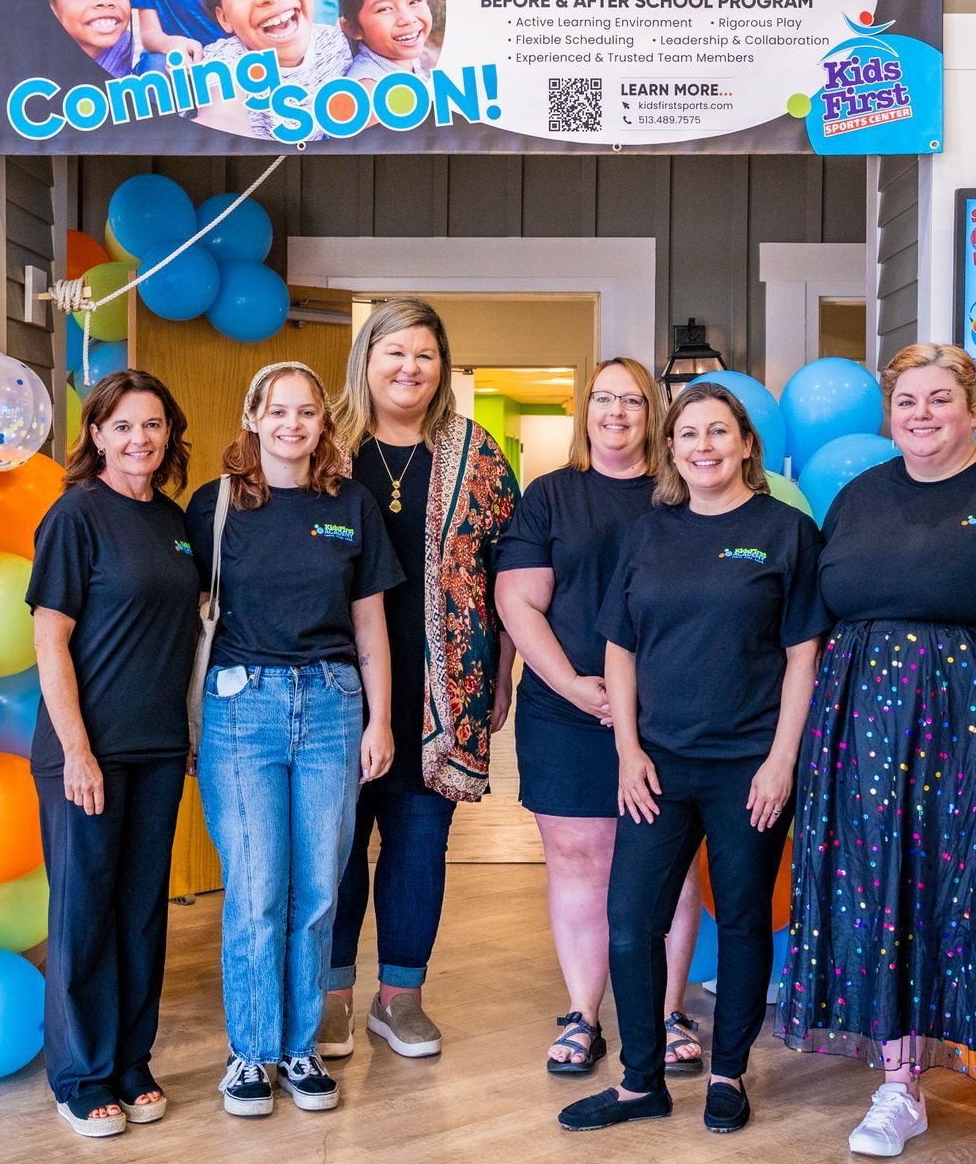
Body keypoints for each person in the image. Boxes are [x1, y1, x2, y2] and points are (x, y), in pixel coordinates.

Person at [776, 343, 976, 1164]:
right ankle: (898, 1088)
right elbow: (817, 621)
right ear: (889, 414)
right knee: (889, 898)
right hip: (869, 736)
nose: (922, 414)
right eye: (908, 401)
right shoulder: (856, 497)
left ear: (973, 407)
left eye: (940, 399)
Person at [558, 382, 825, 1135]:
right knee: (629, 920)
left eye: (718, 432)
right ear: (670, 449)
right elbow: (619, 648)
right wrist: (628, 751)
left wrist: (781, 762)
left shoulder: (785, 532)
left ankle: (728, 1072)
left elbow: (803, 656)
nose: (703, 446)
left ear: (746, 443)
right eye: (688, 435)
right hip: (660, 766)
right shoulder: (648, 533)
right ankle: (641, 1082)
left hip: (749, 766)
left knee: (741, 919)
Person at [185, 362, 403, 1118]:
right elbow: (188, 611)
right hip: (241, 711)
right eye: (277, 411)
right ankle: (249, 1055)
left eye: (306, 412)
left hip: (335, 706)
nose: (292, 424)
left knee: (317, 891)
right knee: (255, 891)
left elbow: (370, 620)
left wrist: (381, 718)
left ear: (323, 422)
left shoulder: (351, 504)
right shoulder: (213, 506)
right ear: (253, 417)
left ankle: (299, 1047)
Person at [319, 297, 519, 1061]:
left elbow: (513, 575)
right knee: (334, 847)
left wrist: (503, 675)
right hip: (331, 685)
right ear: (365, 358)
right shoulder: (324, 445)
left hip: (445, 689)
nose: (409, 368)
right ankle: (331, 996)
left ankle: (400, 998)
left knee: (417, 846)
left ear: (443, 368)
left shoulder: (477, 453)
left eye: (426, 355)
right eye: (394, 352)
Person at [495, 359, 706, 1080]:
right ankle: (584, 1014)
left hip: (668, 714)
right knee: (580, 864)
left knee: (669, 870)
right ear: (587, 409)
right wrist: (573, 686)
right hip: (566, 711)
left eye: (633, 400)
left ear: (655, 413)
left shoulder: (682, 494)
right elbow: (518, 601)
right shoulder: (551, 496)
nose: (616, 412)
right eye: (604, 398)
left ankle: (668, 1013)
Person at [28, 369, 198, 1137]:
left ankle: (132, 1060)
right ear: (96, 434)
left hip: (159, 749)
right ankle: (79, 1075)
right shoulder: (75, 516)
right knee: (86, 914)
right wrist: (77, 753)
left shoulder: (173, 519)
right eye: (124, 426)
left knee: (139, 915)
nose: (141, 440)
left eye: (154, 425)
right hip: (85, 753)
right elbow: (49, 640)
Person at [193, 0, 352, 140]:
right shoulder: (223, 63)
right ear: (224, 17)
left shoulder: (340, 42)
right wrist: (215, 130)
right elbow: (221, 115)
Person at [340, 0, 434, 84]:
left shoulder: (404, 60)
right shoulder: (369, 89)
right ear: (353, 28)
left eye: (414, 1)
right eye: (385, 9)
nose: (408, 19)